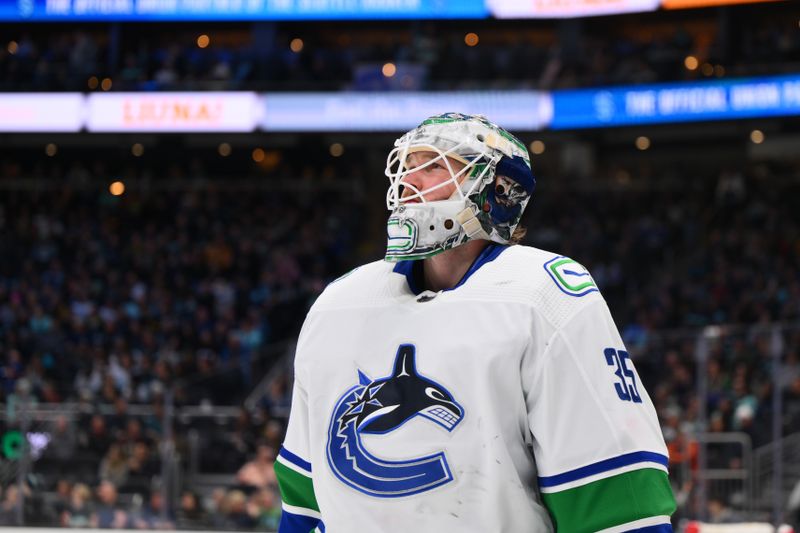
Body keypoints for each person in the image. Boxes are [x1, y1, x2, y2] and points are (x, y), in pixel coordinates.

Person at [275, 112, 676, 532]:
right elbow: (303, 499)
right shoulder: (337, 303)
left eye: (433, 166)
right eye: (407, 166)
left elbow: (615, 499)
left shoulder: (545, 294)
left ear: (500, 190)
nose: (410, 181)